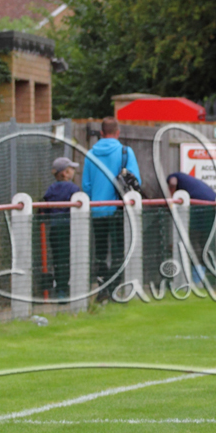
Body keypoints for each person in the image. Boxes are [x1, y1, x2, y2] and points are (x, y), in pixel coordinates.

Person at [81, 118, 141, 298]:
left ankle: (102, 288)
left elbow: (86, 186)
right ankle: (114, 287)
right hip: (119, 210)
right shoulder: (125, 152)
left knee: (100, 251)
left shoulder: (90, 154)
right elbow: (136, 182)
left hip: (98, 210)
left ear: (101, 133)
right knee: (118, 251)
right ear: (118, 132)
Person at [39, 156, 80, 298]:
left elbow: (44, 209)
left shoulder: (51, 189)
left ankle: (60, 289)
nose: (73, 171)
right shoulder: (74, 189)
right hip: (69, 230)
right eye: (71, 169)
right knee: (70, 258)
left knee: (58, 259)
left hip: (55, 230)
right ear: (65, 173)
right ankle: (69, 288)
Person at [167, 172, 216, 276]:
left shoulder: (174, 176)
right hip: (212, 203)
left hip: (200, 205)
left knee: (194, 239)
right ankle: (202, 271)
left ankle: (197, 273)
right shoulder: (187, 179)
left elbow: (172, 182)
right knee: (203, 241)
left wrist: (171, 197)